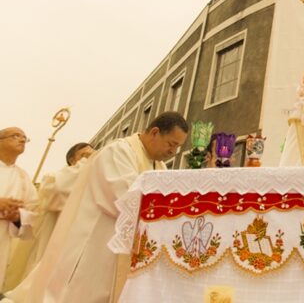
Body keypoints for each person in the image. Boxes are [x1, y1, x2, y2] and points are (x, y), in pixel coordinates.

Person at [5, 112, 188, 303]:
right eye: (171, 144)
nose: (173, 151)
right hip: (96, 244)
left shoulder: (159, 166)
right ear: (155, 132)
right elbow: (125, 196)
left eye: (178, 147)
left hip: (121, 252)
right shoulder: (118, 151)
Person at [2, 143, 96, 292]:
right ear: (72, 160)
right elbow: (59, 193)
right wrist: (87, 163)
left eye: (93, 155)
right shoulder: (55, 178)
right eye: (84, 156)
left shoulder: (96, 183)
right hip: (52, 242)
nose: (91, 159)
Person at [0, 128, 38, 291]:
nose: (22, 140)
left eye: (24, 138)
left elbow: (35, 213)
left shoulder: (23, 178)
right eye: (15, 136)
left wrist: (18, 217)